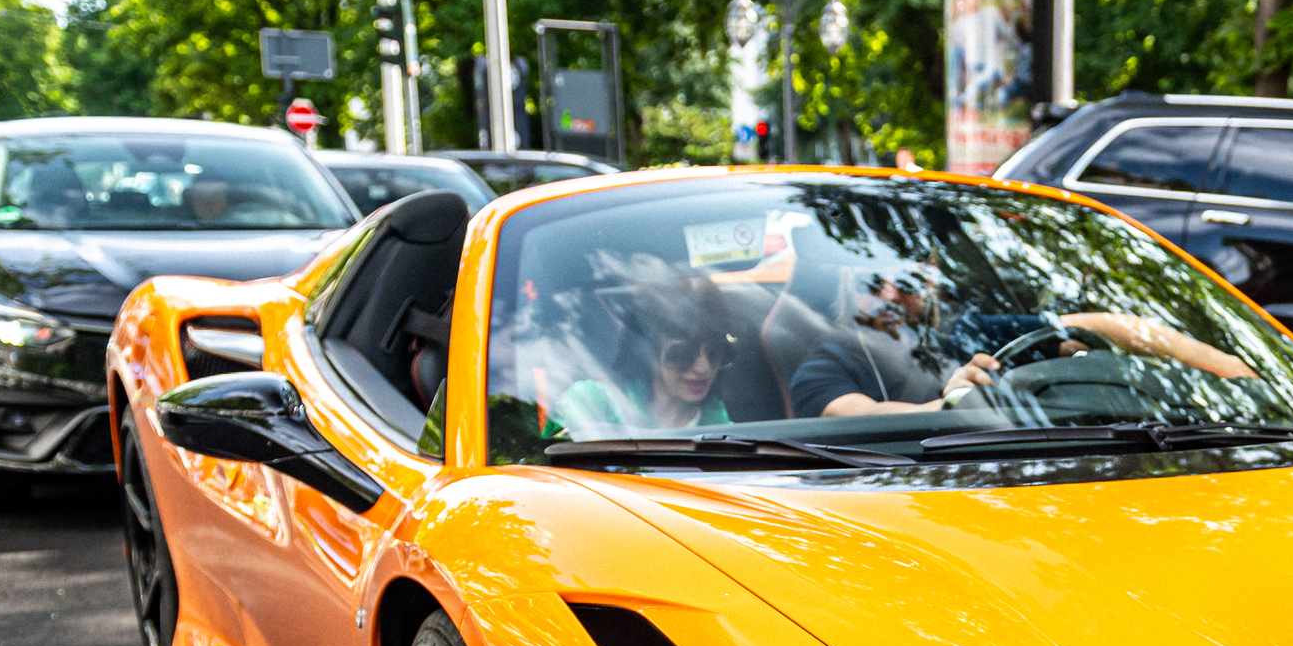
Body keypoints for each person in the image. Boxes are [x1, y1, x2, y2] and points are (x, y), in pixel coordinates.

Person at [789, 265, 1256, 418]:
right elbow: (862, 418)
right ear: (843, 290)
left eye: (907, 283)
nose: (891, 296)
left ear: (927, 290)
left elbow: (1091, 326)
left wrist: (1225, 367)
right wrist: (955, 404)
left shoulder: (963, 332)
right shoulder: (824, 363)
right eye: (873, 285)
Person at [538, 275, 737, 437]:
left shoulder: (723, 429)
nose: (704, 368)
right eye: (684, 353)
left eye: (715, 352)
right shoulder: (591, 404)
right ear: (646, 351)